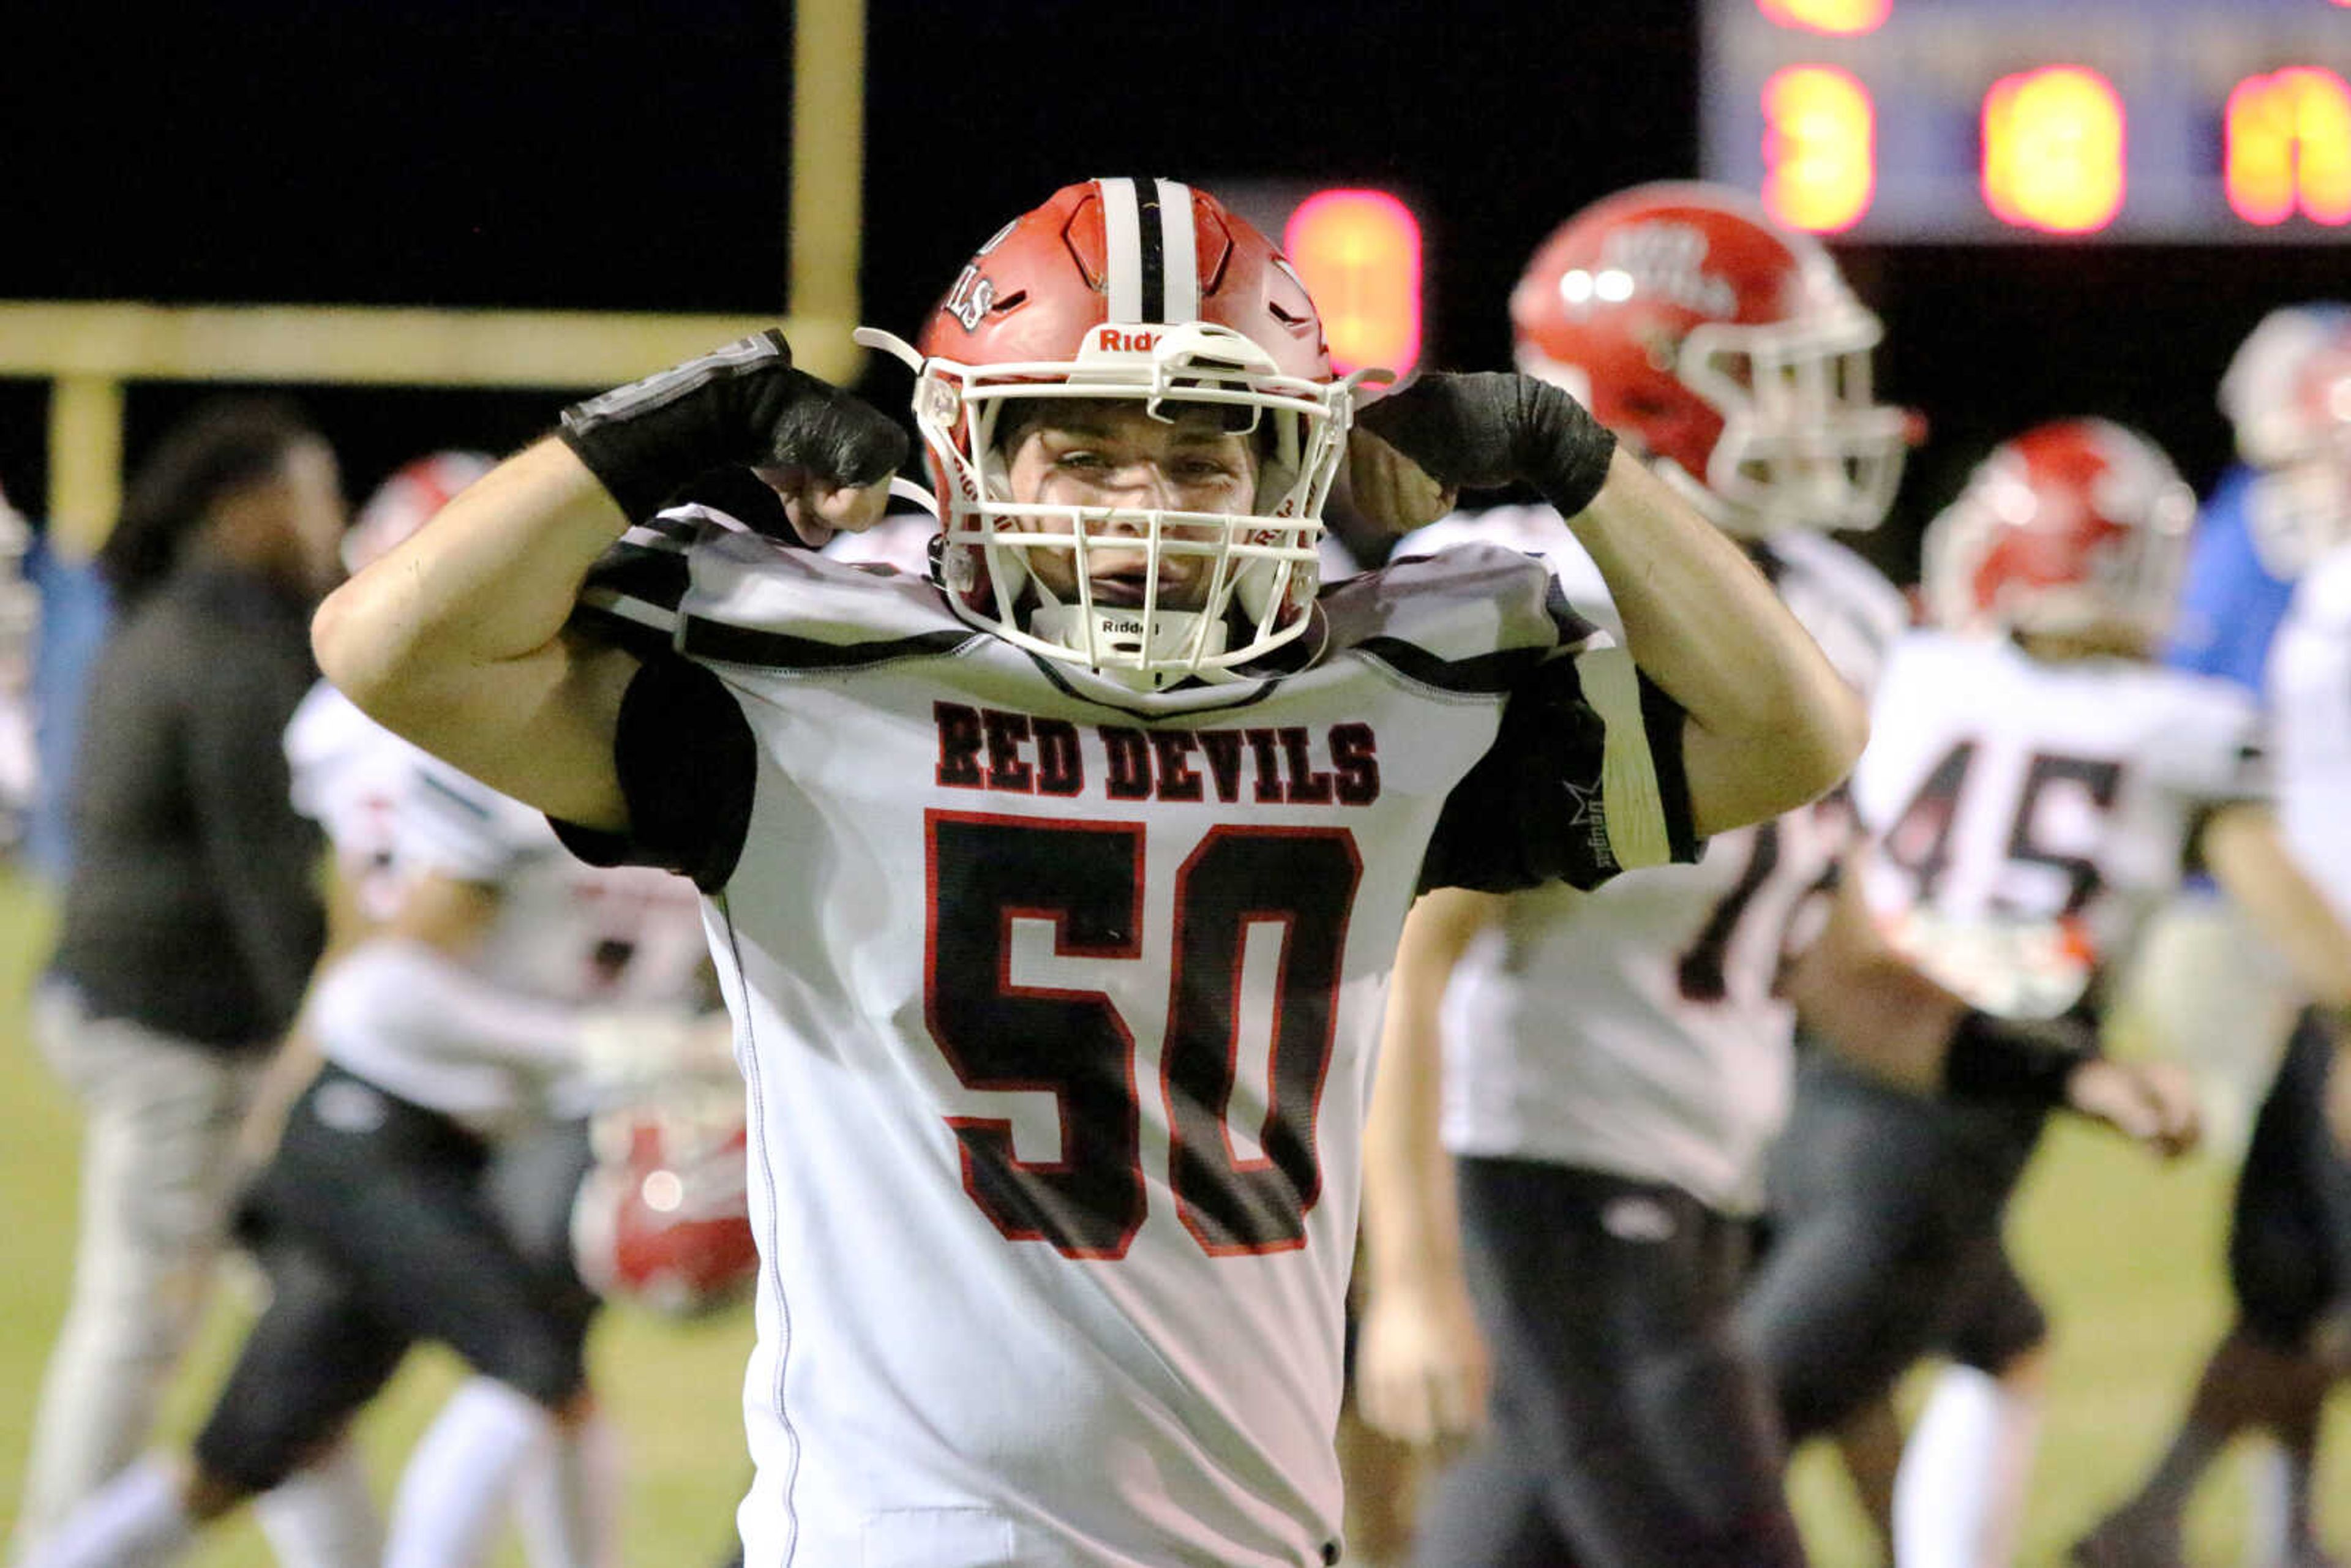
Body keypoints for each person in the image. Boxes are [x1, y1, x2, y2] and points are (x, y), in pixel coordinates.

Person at [303, 174, 1865, 1567]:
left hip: (1249, 1527)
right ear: (971, 452)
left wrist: (1570, 455)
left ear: (1296, 468)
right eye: (1088, 450)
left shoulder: (1394, 694)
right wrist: (676, 424)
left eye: (1205, 456)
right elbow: (392, 647)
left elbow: (1791, 735)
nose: (1148, 509)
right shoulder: (814, 683)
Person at [1350, 186, 2198, 1568]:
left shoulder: (1829, 607)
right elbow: (1406, 961)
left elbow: (1835, 958)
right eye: (1778, 383)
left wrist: (2052, 1069)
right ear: (1650, 395)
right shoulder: (1523, 594)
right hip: (1543, 1178)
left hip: (1698, 1182)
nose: (1823, 417)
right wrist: (1415, 1280)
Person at [1736, 417, 2351, 1568]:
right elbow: (2319, 950)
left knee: (1999, 1337)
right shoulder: (2182, 731)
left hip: (1810, 1053)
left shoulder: (1911, 671)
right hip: (1955, 1103)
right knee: (1724, 1444)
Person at [13, 400, 344, 1559]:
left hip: (142, 1005)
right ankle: (60, 1544)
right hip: (175, 1032)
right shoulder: (229, 646)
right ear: (241, 507)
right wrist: (317, 1046)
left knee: (302, 1308)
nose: (328, 519)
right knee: (143, 1316)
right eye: (308, 493)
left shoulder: (180, 617)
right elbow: (267, 877)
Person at [2075, 310, 2351, 1568]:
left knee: (2311, 1293)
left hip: (2314, 969)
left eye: (2313, 455)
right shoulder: (2307, 576)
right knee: (2294, 1286)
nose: (2289, 486)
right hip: (2312, 975)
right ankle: (2243, 1527)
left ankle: (2188, 1518)